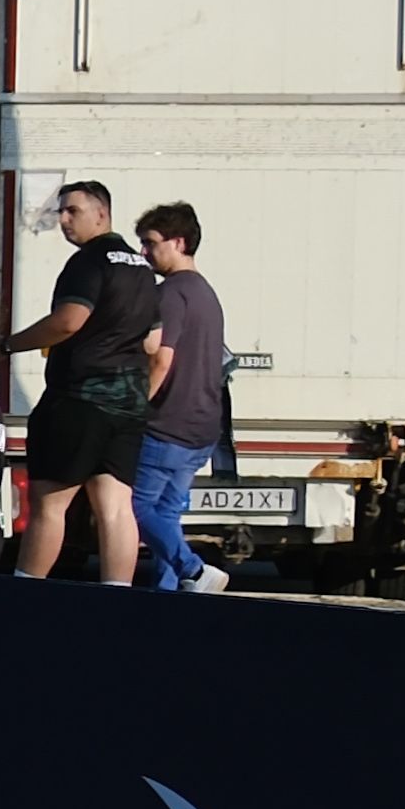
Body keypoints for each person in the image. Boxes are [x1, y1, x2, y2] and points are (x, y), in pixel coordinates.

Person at [5, 178, 162, 586]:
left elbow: (68, 321)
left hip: (79, 399)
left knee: (50, 505)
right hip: (128, 406)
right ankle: (117, 597)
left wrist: (7, 345)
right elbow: (153, 341)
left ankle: (23, 591)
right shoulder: (142, 268)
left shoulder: (89, 262)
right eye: (61, 211)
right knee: (115, 506)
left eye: (72, 211)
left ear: (102, 214)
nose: (63, 219)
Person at [131, 203, 232, 590]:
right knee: (168, 513)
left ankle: (194, 570)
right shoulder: (206, 293)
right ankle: (171, 595)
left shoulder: (170, 294)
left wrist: (136, 409)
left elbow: (161, 359)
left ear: (179, 242)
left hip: (166, 424)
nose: (144, 252)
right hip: (202, 426)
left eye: (150, 243)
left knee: (135, 507)